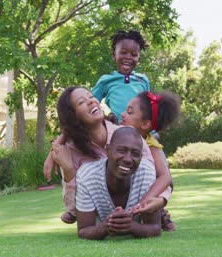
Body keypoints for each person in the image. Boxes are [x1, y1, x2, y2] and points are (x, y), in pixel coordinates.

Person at [47, 86, 154, 224]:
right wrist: (68, 169)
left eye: (91, 97)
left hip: (140, 214)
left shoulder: (128, 135)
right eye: (81, 102)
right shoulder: (70, 151)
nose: (91, 102)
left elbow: (153, 176)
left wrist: (159, 201)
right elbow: (75, 210)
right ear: (72, 115)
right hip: (100, 221)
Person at [76, 126, 161, 240]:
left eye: (135, 154)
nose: (128, 159)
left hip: (138, 220)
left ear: (141, 157)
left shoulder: (146, 172)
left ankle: (163, 214)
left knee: (160, 214)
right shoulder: (87, 175)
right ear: (108, 150)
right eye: (121, 151)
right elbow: (83, 230)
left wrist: (131, 226)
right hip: (100, 222)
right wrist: (105, 227)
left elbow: (155, 227)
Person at [120, 90, 181, 231]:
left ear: (145, 124)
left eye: (129, 112)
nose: (122, 114)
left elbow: (166, 177)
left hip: (144, 191)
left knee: (161, 185)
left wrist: (144, 201)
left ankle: (157, 211)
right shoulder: (116, 135)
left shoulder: (151, 146)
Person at [91, 30, 150, 123]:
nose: (128, 57)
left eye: (134, 54)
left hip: (141, 133)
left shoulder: (143, 80)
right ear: (114, 55)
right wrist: (106, 117)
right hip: (117, 132)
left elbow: (149, 108)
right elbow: (91, 104)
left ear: (139, 60)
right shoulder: (106, 80)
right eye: (123, 52)